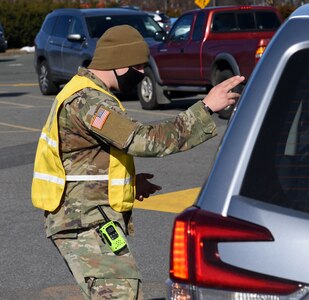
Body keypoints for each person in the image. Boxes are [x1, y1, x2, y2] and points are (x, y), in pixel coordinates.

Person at [31, 25, 244, 299]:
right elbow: (143, 140)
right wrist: (204, 109)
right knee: (121, 294)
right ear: (118, 63)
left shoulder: (89, 94)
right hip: (83, 221)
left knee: (123, 291)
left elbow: (83, 160)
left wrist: (129, 184)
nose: (142, 74)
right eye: (138, 66)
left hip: (89, 217)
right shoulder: (88, 101)